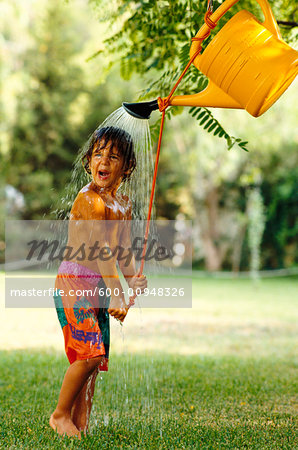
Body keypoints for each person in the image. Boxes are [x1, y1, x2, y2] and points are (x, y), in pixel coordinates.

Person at [50, 126, 147, 438]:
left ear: (127, 167)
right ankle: (60, 415)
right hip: (74, 284)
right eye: (98, 154)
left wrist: (132, 279)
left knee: (96, 360)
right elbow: (101, 251)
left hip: (99, 288)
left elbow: (121, 249)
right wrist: (118, 294)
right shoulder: (89, 200)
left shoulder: (122, 204)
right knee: (88, 353)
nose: (103, 161)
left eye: (114, 156)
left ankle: (79, 424)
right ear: (88, 161)